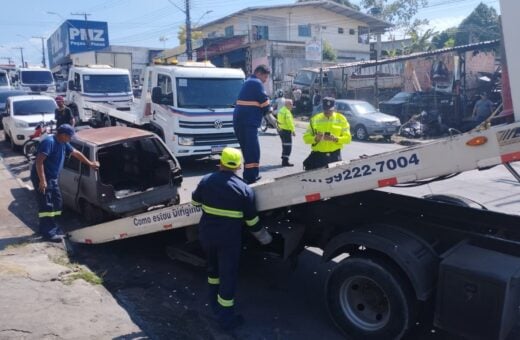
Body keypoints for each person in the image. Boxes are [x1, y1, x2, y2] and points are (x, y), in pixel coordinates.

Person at [191, 147, 272, 330]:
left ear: (221, 163)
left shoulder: (206, 181)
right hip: (228, 241)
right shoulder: (244, 190)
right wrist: (266, 239)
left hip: (207, 236)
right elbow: (252, 221)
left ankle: (213, 303)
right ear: (238, 166)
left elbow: (195, 202)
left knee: (213, 270)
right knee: (228, 276)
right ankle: (226, 319)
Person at [31, 124, 99, 242]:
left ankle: (50, 227)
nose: (70, 139)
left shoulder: (63, 142)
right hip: (42, 178)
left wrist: (90, 163)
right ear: (63, 135)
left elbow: (76, 153)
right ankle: (48, 233)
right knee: (47, 205)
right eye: (69, 136)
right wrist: (42, 180)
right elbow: (39, 162)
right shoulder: (49, 142)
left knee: (57, 203)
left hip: (52, 178)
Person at [233, 65, 271, 184]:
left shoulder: (248, 82)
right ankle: (251, 177)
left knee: (247, 150)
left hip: (241, 122)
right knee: (253, 151)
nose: (265, 80)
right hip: (248, 123)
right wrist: (271, 115)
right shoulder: (256, 82)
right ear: (259, 73)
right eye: (265, 77)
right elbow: (265, 102)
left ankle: (249, 175)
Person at [303, 97, 351, 170]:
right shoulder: (315, 119)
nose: (327, 112)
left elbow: (348, 139)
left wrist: (336, 139)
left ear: (334, 108)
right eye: (325, 109)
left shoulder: (341, 119)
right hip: (318, 157)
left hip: (334, 157)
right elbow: (306, 138)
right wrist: (315, 139)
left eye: (330, 110)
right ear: (323, 108)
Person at [277, 99, 296, 167]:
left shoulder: (281, 110)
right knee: (288, 146)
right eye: (291, 104)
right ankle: (285, 161)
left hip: (281, 130)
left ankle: (284, 159)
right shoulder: (287, 112)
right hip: (286, 131)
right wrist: (293, 130)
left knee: (284, 146)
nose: (292, 106)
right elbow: (289, 122)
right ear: (287, 104)